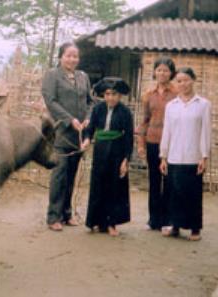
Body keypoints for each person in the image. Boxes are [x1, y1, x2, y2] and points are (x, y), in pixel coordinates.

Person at [42, 42, 92, 231]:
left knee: (71, 174)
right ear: (60, 57)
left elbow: (90, 101)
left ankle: (67, 213)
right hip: (61, 132)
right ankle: (53, 216)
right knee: (60, 174)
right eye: (68, 56)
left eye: (75, 56)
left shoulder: (83, 77)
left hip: (78, 134)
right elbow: (50, 101)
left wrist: (87, 118)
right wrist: (69, 119)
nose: (72, 59)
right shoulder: (52, 75)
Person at [160, 67, 211, 241]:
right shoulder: (171, 106)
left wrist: (204, 156)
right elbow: (167, 131)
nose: (183, 84)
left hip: (193, 157)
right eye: (179, 81)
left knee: (193, 194)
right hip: (174, 156)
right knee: (175, 193)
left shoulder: (203, 104)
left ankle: (195, 228)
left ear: (193, 80)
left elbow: (205, 132)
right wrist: (163, 156)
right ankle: (175, 226)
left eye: (186, 80)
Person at [81, 77, 133, 236]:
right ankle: (95, 221)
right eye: (107, 94)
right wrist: (87, 139)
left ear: (120, 96)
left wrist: (126, 159)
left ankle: (111, 223)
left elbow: (129, 136)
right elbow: (90, 128)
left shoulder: (125, 112)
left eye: (114, 94)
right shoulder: (98, 109)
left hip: (117, 150)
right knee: (98, 185)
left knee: (114, 186)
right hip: (100, 151)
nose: (111, 98)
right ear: (104, 95)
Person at [136, 57, 177, 231]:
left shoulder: (176, 94)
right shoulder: (148, 94)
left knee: (169, 181)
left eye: (166, 70)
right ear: (154, 72)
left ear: (171, 73)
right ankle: (153, 220)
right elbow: (144, 120)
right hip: (152, 141)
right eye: (159, 69)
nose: (162, 73)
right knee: (154, 180)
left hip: (172, 143)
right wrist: (140, 143)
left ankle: (167, 219)